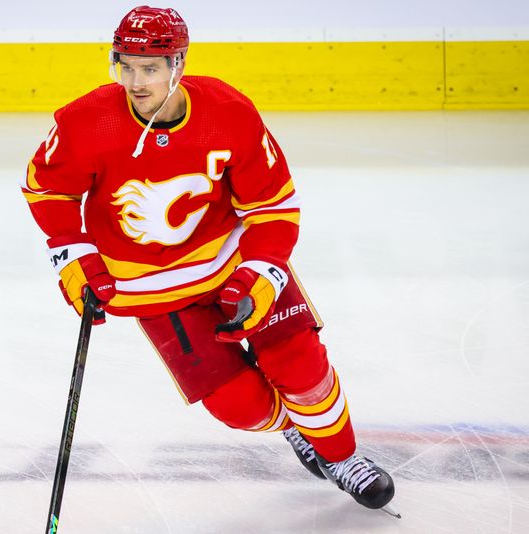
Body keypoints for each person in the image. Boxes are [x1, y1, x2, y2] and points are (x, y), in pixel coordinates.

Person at [21, 5, 396, 512]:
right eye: (125, 65)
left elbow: (274, 206)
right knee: (239, 408)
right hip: (151, 288)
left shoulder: (228, 112)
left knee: (301, 368)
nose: (135, 81)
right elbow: (47, 192)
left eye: (149, 68)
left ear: (178, 64)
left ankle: (342, 457)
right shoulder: (87, 122)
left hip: (234, 265)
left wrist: (258, 274)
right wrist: (77, 261)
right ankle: (295, 430)